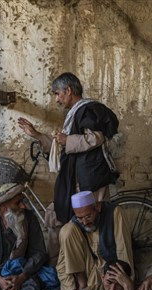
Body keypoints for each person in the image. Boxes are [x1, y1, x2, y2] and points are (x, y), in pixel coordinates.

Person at [18, 72, 119, 225]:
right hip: (77, 177)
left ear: (69, 91)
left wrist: (67, 139)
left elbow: (96, 138)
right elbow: (64, 146)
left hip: (91, 178)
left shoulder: (88, 109)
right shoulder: (74, 113)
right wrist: (36, 134)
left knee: (95, 221)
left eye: (57, 94)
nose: (56, 99)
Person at [56, 190, 134, 290]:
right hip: (84, 270)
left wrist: (126, 283)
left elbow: (124, 251)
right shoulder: (74, 224)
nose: (84, 222)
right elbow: (62, 263)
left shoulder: (115, 213)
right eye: (80, 218)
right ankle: (82, 284)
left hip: (106, 267)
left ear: (97, 207)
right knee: (66, 230)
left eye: (88, 216)